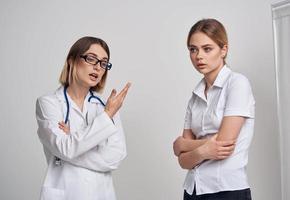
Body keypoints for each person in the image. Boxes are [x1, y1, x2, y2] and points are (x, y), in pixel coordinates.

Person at [36, 36, 131, 200]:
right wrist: (106, 118)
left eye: (103, 63)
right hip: (65, 193)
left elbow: (115, 158)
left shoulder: (107, 107)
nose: (98, 68)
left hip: (101, 194)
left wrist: (71, 143)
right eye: (91, 59)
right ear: (72, 60)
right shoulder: (48, 103)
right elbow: (65, 148)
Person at [173, 19, 255, 200]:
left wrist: (183, 145)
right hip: (192, 190)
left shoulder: (237, 84)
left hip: (227, 190)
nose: (198, 56)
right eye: (193, 49)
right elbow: (183, 161)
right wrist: (205, 149)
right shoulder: (194, 97)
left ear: (223, 50)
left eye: (207, 48)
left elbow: (223, 144)